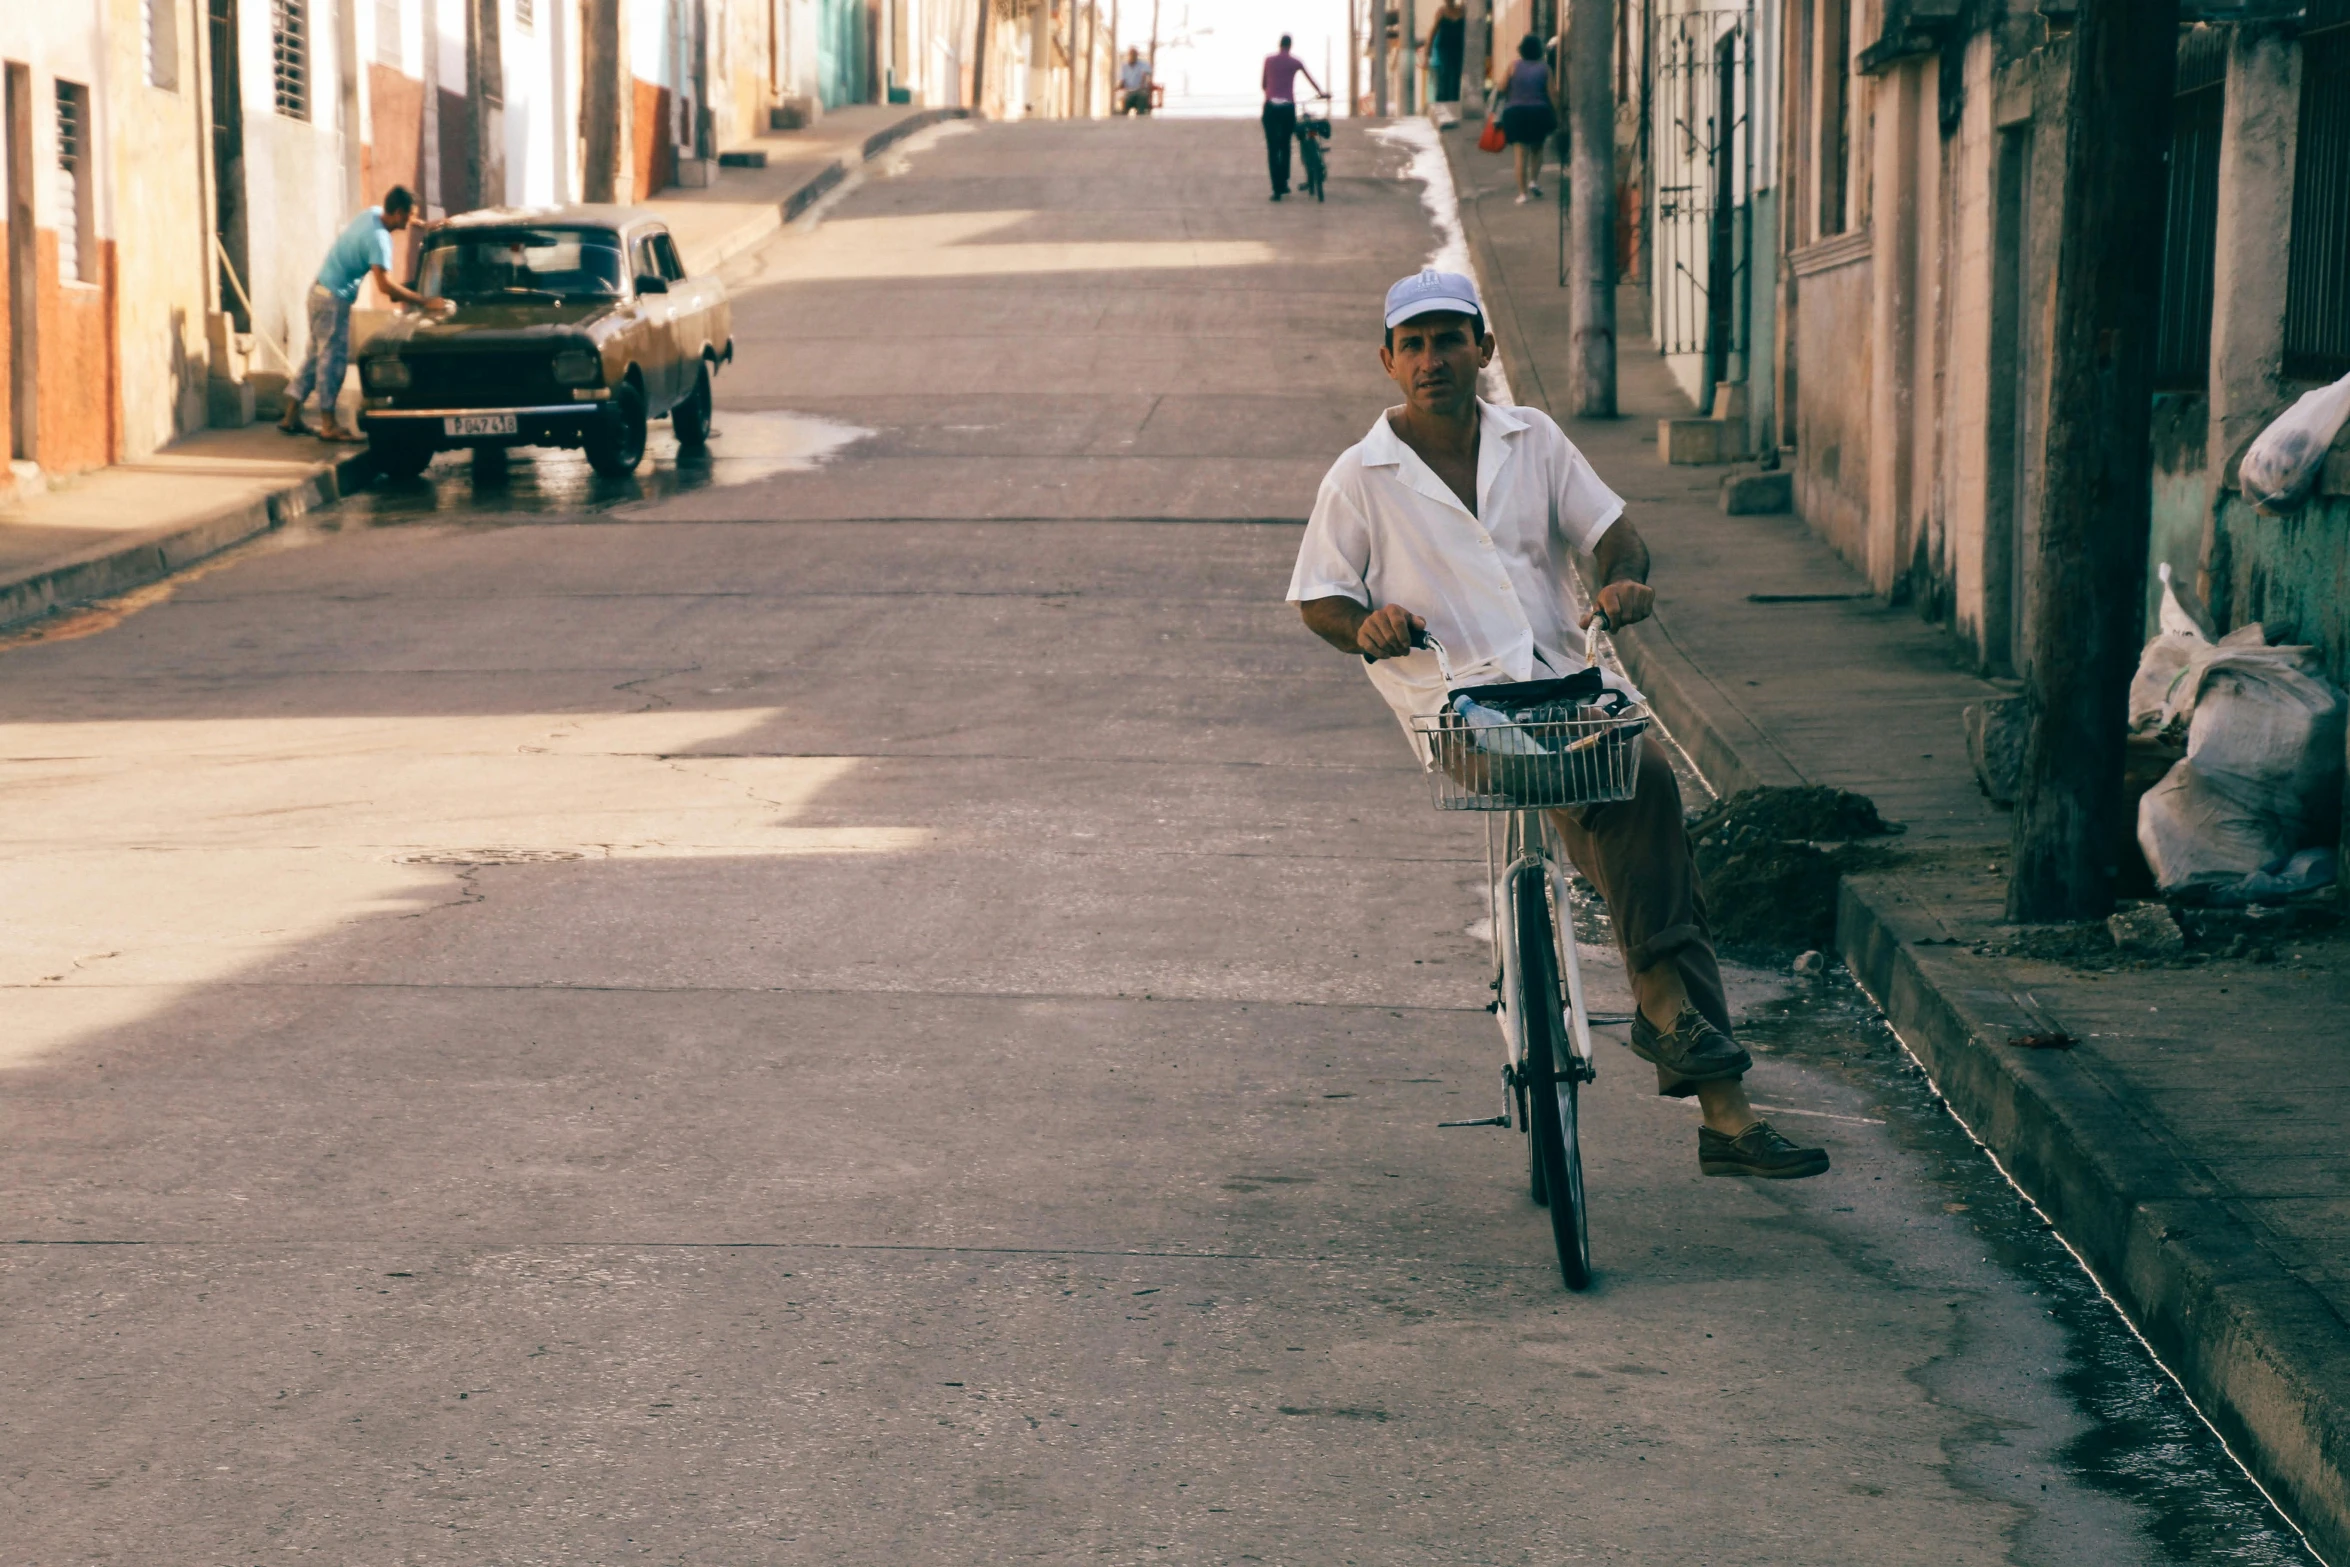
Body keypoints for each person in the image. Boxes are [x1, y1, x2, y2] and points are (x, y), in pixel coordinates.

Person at [1287, 269, 1831, 1182]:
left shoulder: (1532, 438)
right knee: (1621, 815)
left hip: (1565, 682)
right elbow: (1320, 597)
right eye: (1413, 345)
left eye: (1449, 340)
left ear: (1484, 350)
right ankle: (1671, 1017)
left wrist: (1620, 579)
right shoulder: (1361, 475)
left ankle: (1723, 1112)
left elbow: (1613, 530)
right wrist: (1366, 627)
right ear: (1388, 361)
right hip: (1459, 706)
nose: (1432, 360)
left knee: (1649, 792)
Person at [279, 186, 447, 442]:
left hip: (318, 292)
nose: (407, 224)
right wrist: (425, 302)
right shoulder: (380, 240)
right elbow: (384, 286)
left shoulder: (372, 213)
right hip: (334, 301)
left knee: (314, 356)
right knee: (332, 362)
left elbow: (399, 222)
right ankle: (328, 425)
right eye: (408, 217)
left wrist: (423, 224)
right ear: (398, 212)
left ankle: (290, 417)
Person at [1260, 34, 1325, 201]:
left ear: (1279, 45)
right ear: (1290, 46)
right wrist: (1321, 93)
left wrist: (1272, 92)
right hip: (1288, 108)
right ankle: (1285, 182)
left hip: (1271, 108)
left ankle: (1277, 188)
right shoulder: (1295, 62)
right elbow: (1311, 80)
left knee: (1273, 149)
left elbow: (1263, 85)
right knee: (1286, 145)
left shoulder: (1268, 60)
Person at [1497, 34, 1557, 204]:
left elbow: (1501, 87)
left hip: (1515, 113)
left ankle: (1522, 194)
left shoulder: (1513, 66)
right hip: (1539, 112)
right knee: (1537, 149)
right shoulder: (1545, 69)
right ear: (1539, 51)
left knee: (1520, 154)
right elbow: (1553, 94)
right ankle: (1534, 182)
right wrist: (1558, 114)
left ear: (1521, 50)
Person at [1426, 0, 1466, 113]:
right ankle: (1443, 107)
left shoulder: (1462, 11)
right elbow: (1433, 31)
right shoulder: (1441, 12)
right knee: (1445, 76)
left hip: (1458, 50)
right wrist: (1427, 51)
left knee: (1455, 78)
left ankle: (1454, 106)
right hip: (1444, 50)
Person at [1118, 48, 1153, 115]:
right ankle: (1124, 113)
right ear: (1128, 55)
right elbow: (1122, 80)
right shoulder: (1124, 66)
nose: (1132, 56)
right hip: (1129, 91)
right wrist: (1119, 86)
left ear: (1137, 55)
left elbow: (1146, 76)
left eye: (1134, 54)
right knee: (1124, 99)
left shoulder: (1143, 65)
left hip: (1141, 90)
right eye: (1131, 54)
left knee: (1142, 96)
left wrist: (1144, 83)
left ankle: (1140, 114)